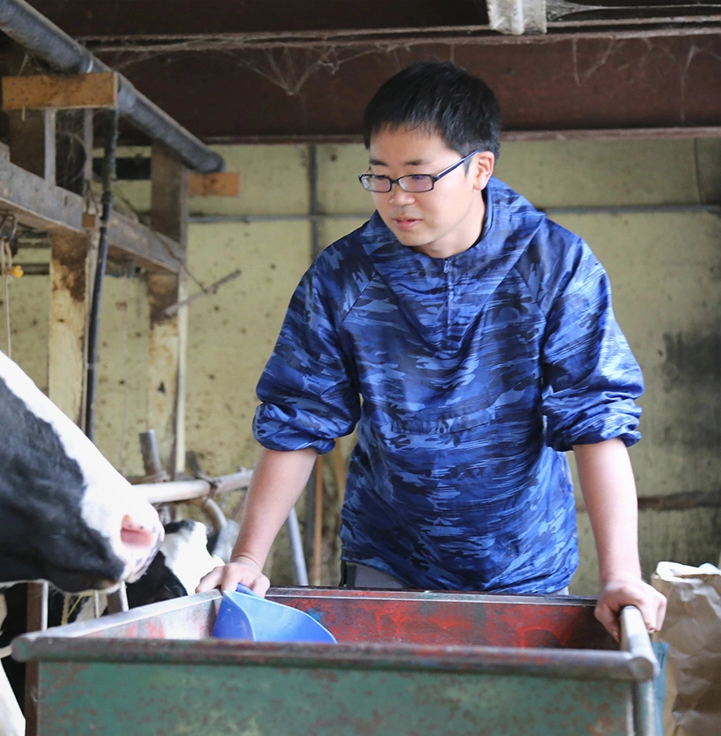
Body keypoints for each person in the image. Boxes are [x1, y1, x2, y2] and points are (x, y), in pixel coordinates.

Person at [197, 60, 666, 639]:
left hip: (523, 562)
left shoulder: (555, 265)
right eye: (381, 176)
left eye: (419, 176)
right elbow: (300, 416)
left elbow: (597, 418)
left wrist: (623, 574)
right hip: (387, 561)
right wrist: (247, 559)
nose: (398, 199)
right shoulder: (343, 277)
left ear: (479, 170)